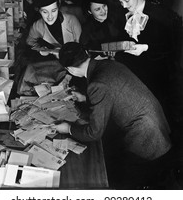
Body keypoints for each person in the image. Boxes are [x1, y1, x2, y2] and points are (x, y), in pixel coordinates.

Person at [52, 42, 173, 189]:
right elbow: (113, 91)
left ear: (69, 69)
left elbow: (94, 133)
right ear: (86, 53)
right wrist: (84, 98)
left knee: (123, 183)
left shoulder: (97, 84)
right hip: (157, 124)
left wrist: (68, 128)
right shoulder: (108, 64)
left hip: (147, 140)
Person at [113, 0, 176, 114]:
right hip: (135, 69)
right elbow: (123, 38)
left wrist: (145, 47)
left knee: (156, 109)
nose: (124, 5)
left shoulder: (159, 14)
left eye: (127, 1)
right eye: (121, 2)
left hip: (155, 70)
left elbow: (169, 46)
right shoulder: (125, 14)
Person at [17, 0, 82, 95]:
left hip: (76, 64)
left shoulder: (72, 21)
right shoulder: (37, 26)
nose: (50, 16)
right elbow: (30, 43)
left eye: (54, 10)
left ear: (58, 7)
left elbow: (81, 50)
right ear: (39, 11)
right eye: (45, 12)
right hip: (57, 64)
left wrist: (68, 77)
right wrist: (42, 50)